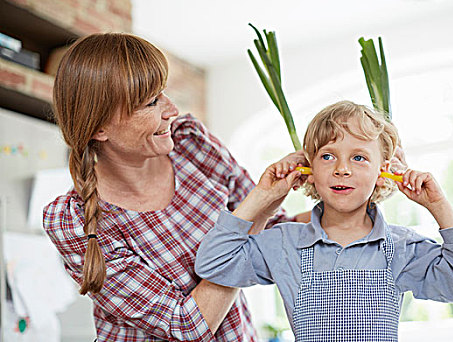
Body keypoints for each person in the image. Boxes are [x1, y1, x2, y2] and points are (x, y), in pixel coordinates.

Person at [43, 33, 308, 341]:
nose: (171, 110)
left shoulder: (190, 144)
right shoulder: (74, 221)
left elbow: (277, 229)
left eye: (164, 92)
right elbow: (186, 325)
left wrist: (351, 198)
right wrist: (255, 208)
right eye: (151, 102)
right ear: (100, 127)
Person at [195, 100, 453, 341]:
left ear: (383, 170)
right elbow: (212, 263)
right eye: (327, 156)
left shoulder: (401, 247)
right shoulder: (284, 242)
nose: (342, 169)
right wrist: (261, 195)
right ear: (309, 168)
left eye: (359, 157)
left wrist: (439, 207)